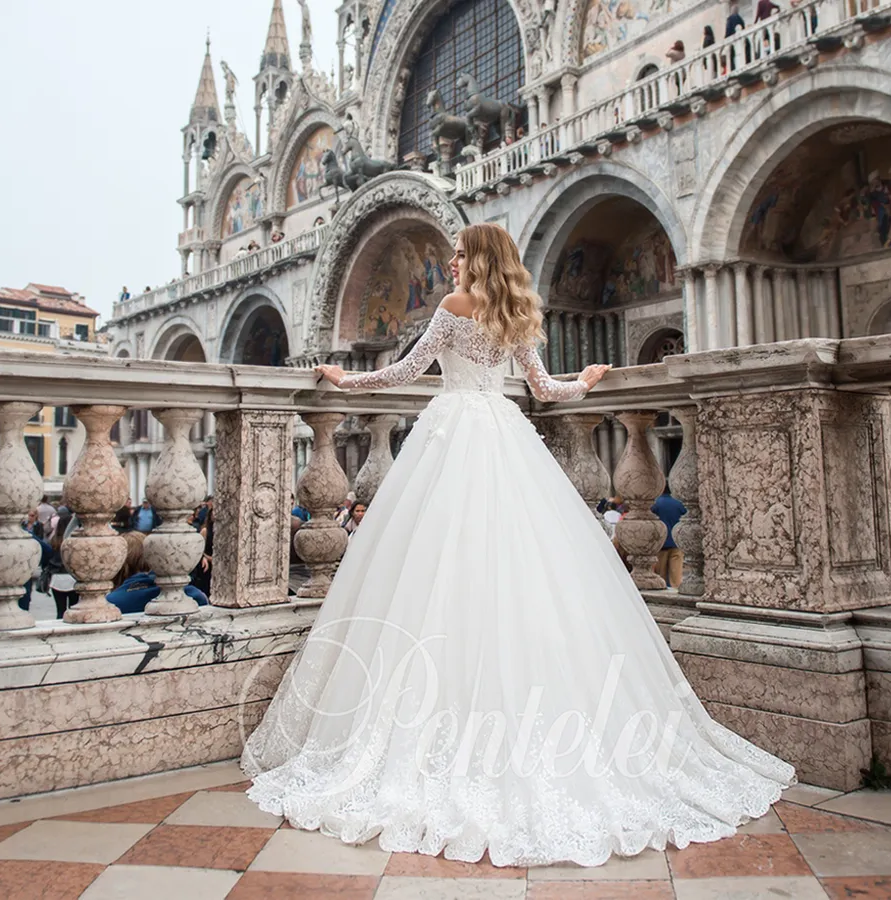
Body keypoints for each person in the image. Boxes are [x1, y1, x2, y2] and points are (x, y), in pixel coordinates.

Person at [242, 223, 795, 868]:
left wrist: (341, 379)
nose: (448, 262)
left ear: (475, 259)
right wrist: (585, 380)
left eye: (456, 253)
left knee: (434, 568)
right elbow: (545, 391)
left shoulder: (453, 309)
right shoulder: (516, 314)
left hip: (452, 438)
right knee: (527, 572)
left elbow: (404, 372)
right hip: (506, 437)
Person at [652, 485, 687, 589]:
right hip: (676, 542)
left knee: (661, 574)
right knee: (676, 574)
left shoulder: (656, 504)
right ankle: (676, 590)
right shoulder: (678, 503)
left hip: (661, 543)